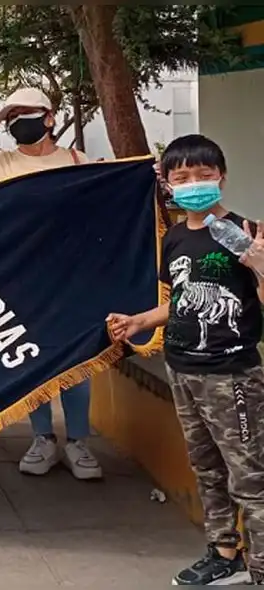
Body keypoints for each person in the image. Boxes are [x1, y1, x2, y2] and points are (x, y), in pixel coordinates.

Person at [108, 135, 264, 586]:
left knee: (249, 473)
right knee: (207, 466)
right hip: (182, 368)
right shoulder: (175, 236)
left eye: (204, 175)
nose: (194, 183)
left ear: (222, 177)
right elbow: (181, 299)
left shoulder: (247, 231)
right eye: (182, 177)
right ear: (170, 185)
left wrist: (256, 261)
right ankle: (224, 554)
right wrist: (140, 320)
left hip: (231, 375)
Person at [0, 87, 98, 480]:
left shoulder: (79, 162)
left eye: (26, 114)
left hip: (69, 279)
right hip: (16, 281)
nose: (18, 123)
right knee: (30, 362)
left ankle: (78, 441)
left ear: (49, 118)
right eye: (11, 117)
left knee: (77, 361)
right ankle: (42, 437)